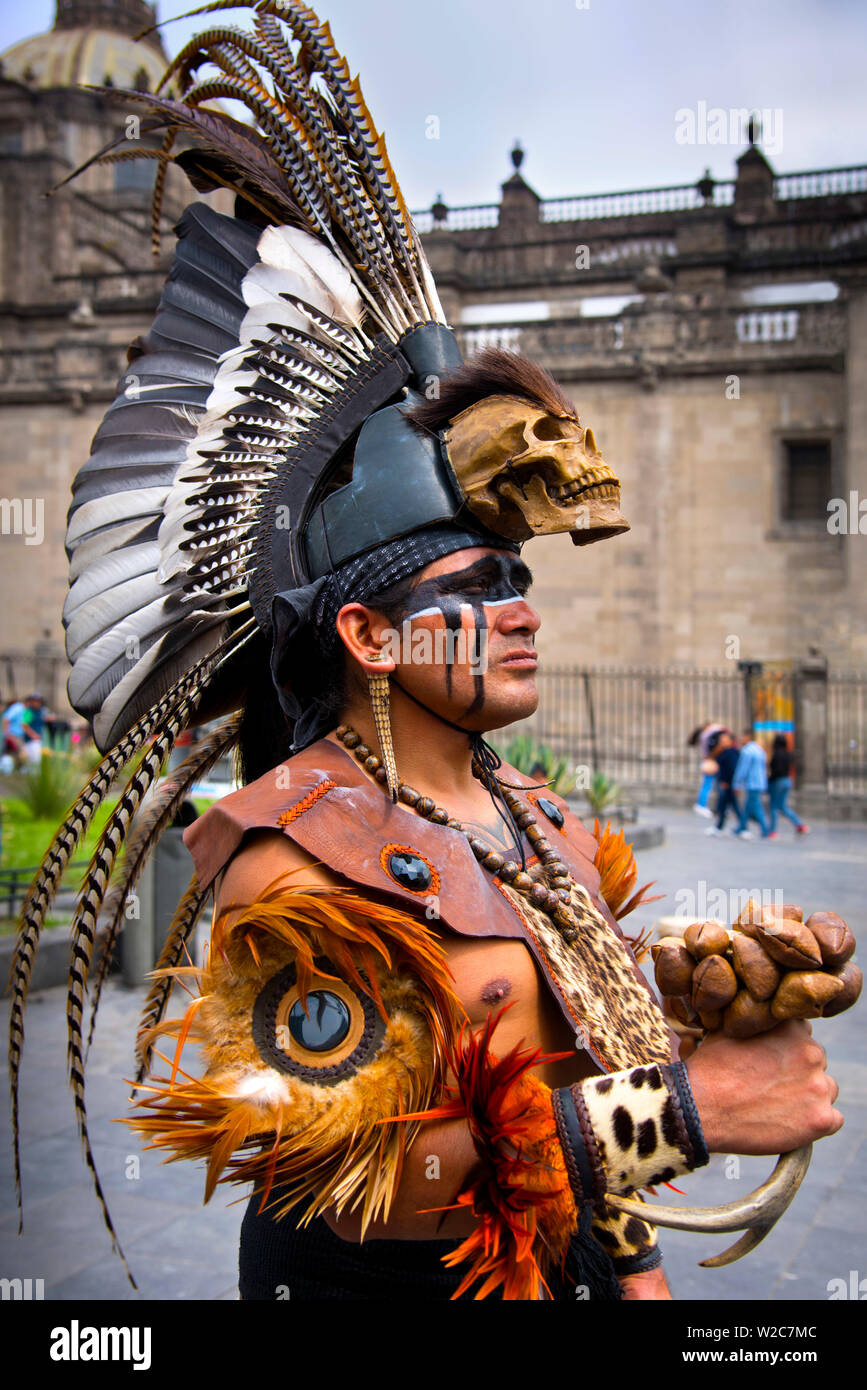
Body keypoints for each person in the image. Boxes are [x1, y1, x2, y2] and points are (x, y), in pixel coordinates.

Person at [8, 1, 843, 1304]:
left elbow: (548, 1067)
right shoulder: (287, 856)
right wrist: (681, 1107)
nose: (517, 606)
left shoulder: (548, 832)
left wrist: (684, 996)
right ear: (362, 633)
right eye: (470, 585)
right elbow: (336, 1168)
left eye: (515, 575)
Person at [768, 733, 809, 837]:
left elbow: (776, 770)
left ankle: (773, 831)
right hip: (788, 780)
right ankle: (800, 825)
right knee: (783, 806)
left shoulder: (776, 754)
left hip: (778, 781)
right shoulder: (788, 754)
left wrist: (770, 779)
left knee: (773, 807)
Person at [732, 728, 770, 839]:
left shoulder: (747, 751)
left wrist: (737, 783)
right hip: (760, 782)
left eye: (743, 736)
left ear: (748, 737)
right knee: (749, 807)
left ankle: (764, 829)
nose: (741, 739)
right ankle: (742, 827)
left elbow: (743, 768)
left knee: (755, 807)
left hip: (752, 783)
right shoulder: (759, 750)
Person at [705, 729, 741, 835]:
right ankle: (720, 827)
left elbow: (731, 769)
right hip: (725, 783)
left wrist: (727, 782)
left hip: (727, 784)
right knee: (726, 806)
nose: (721, 741)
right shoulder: (723, 751)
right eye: (721, 740)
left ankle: (742, 827)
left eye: (724, 740)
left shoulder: (732, 752)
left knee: (730, 806)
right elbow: (711, 757)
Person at [689, 721, 722, 818]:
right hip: (709, 762)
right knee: (707, 785)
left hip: (707, 761)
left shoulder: (705, 735)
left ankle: (702, 805)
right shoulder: (707, 735)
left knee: (708, 785)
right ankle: (701, 805)